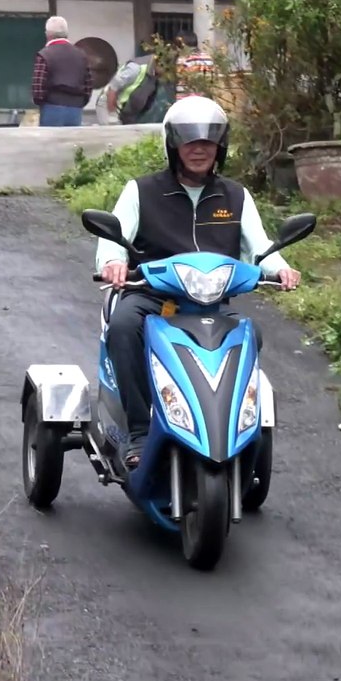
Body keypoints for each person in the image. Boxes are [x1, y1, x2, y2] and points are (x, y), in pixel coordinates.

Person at [94, 96, 302, 469]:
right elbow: (114, 237)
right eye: (190, 141)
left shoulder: (235, 196)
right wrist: (113, 262)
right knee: (125, 327)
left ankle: (228, 426)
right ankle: (140, 429)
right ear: (173, 144)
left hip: (208, 303)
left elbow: (259, 246)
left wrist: (280, 268)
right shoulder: (141, 191)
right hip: (152, 298)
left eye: (208, 142)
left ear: (220, 147)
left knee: (249, 336)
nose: (199, 149)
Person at [31, 16, 93, 127]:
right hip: (76, 107)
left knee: (51, 143)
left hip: (51, 106)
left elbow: (38, 87)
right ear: (66, 33)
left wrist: (41, 103)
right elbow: (88, 84)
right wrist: (80, 102)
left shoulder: (44, 54)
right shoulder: (82, 55)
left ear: (47, 34)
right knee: (72, 143)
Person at [174, 30, 214, 99]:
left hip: (186, 99)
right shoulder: (208, 57)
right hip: (205, 98)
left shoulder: (183, 59)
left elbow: (178, 76)